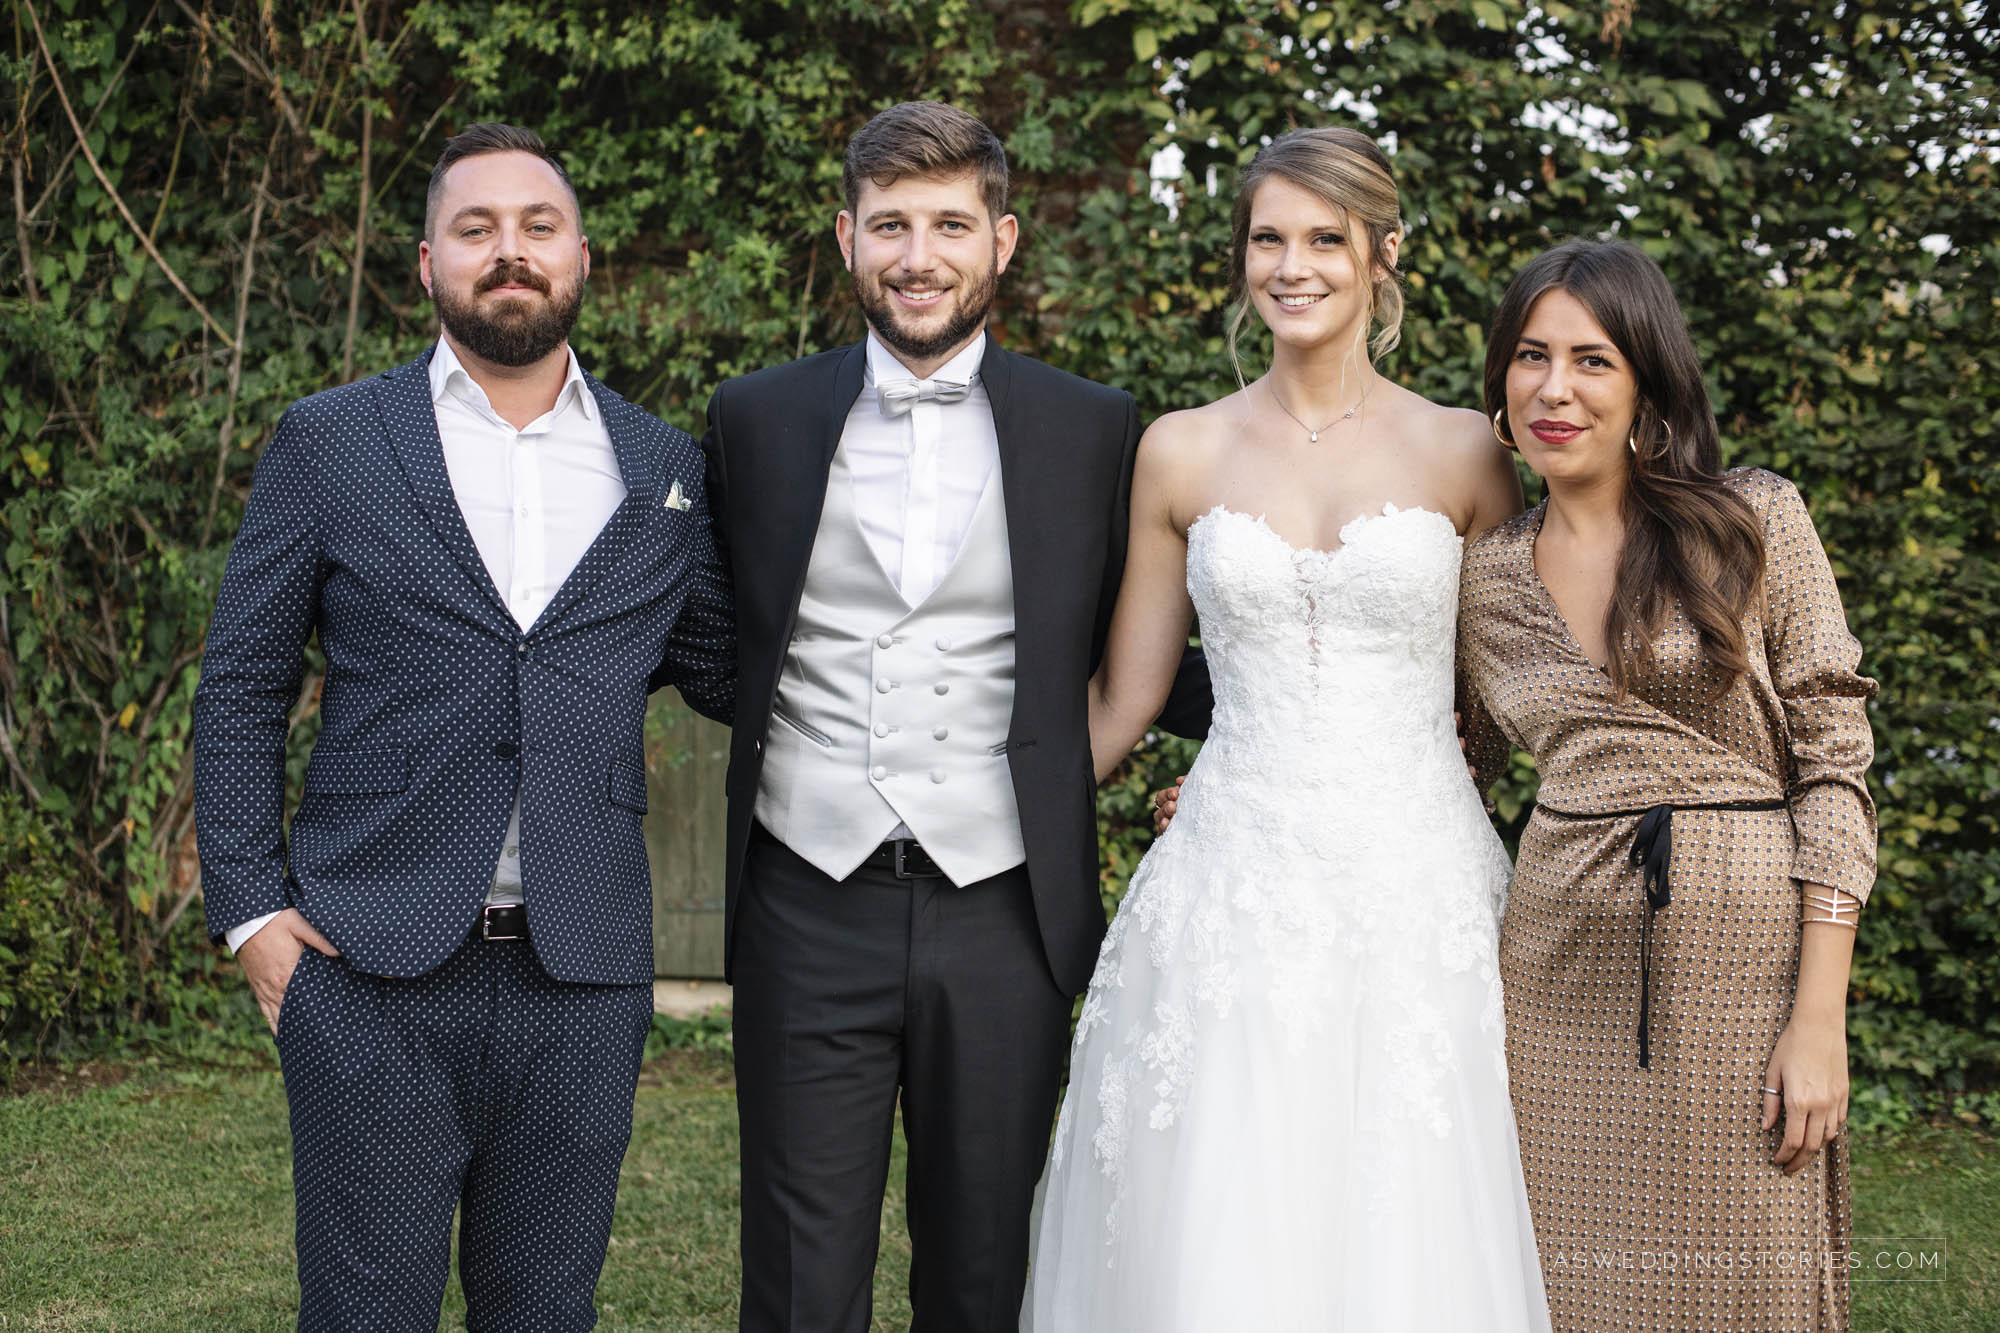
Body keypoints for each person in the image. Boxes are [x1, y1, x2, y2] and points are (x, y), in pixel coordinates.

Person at [192, 122, 734, 1331]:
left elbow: (729, 670)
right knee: (364, 1311)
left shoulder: (660, 466)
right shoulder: (332, 441)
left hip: (581, 978)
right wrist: (250, 915)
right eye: (476, 229)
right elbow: (239, 684)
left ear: (581, 256)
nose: (510, 251)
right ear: (426, 261)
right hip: (365, 963)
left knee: (545, 1310)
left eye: (537, 227)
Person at [1022, 127, 1550, 1330]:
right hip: (1228, 882)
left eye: (1324, 239)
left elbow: (1507, 674)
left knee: (1407, 1202)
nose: (1292, 264)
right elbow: (1127, 700)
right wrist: (995, 823)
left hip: (1416, 882)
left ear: (1382, 257)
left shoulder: (1467, 449)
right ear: (1241, 258)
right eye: (1269, 238)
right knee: (1212, 1198)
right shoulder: (1180, 449)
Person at [701, 101, 1210, 1333]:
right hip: (803, 895)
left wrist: (1274, 740)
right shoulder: (753, 421)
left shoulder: (1095, 428)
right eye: (889, 225)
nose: (916, 254)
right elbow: (707, 636)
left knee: (982, 1272)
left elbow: (1144, 639)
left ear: (1002, 240)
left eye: (945, 224)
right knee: (799, 1273)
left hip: (1003, 907)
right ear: (845, 240)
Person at [1456, 238, 1874, 1329]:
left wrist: (1817, 1014)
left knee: (1744, 1271)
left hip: (1745, 972)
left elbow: (1834, 758)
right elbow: (1439, 755)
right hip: (1551, 975)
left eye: (1591, 359)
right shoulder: (1482, 574)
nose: (1554, 389)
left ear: (1645, 378)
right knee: (1564, 1275)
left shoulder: (1748, 517)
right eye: (1529, 357)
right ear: (1498, 380)